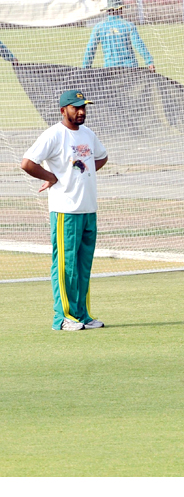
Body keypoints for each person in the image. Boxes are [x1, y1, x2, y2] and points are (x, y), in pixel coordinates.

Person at [21, 90, 108, 331]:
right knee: (65, 265)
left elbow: (102, 157)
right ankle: (63, 318)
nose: (81, 112)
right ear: (63, 110)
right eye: (75, 107)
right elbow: (27, 163)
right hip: (65, 210)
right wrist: (52, 177)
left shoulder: (88, 134)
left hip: (89, 209)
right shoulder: (54, 135)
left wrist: (81, 173)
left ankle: (82, 315)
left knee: (83, 265)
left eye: (83, 107)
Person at [82, 0, 155, 71]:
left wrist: (85, 68)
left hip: (109, 69)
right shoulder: (128, 25)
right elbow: (138, 44)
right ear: (120, 10)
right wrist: (149, 62)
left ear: (107, 11)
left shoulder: (99, 27)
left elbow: (90, 49)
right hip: (130, 67)